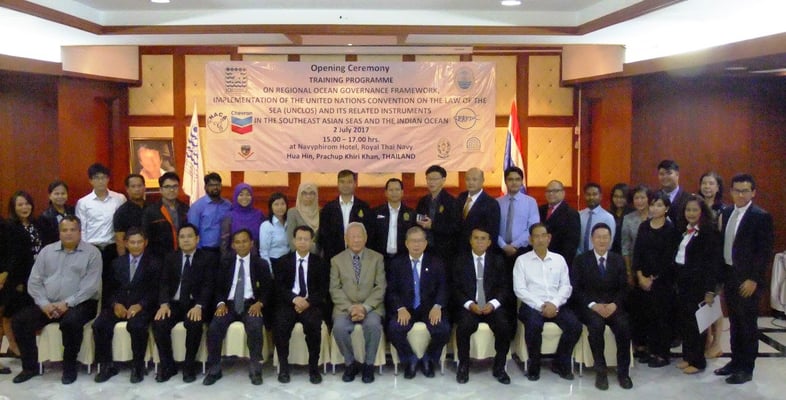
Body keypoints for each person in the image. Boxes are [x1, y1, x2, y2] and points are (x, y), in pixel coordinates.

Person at [11, 215, 101, 384]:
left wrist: (67, 303)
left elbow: (90, 287)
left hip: (81, 303)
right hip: (49, 303)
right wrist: (44, 304)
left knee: (70, 323)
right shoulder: (47, 251)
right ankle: (29, 367)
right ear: (59, 233)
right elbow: (34, 282)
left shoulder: (92, 253)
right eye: (64, 230)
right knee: (20, 321)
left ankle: (69, 367)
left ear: (80, 232)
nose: (68, 234)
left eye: (73, 230)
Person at [714, 174, 773, 384]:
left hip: (748, 279)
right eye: (737, 190)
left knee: (747, 324)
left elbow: (764, 252)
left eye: (745, 190)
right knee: (735, 322)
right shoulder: (727, 212)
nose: (740, 194)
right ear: (730, 191)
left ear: (753, 192)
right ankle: (735, 362)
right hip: (730, 275)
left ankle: (746, 368)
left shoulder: (760, 216)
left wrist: (754, 279)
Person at [203, 229, 272, 386]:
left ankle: (255, 368)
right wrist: (220, 303)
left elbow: (268, 289)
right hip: (228, 305)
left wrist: (260, 303)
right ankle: (214, 369)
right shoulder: (225, 262)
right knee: (214, 327)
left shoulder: (260, 264)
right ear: (233, 245)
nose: (241, 245)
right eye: (238, 242)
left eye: (245, 241)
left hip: (251, 304)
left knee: (255, 326)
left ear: (252, 243)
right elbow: (218, 287)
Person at [514, 223, 581, 382]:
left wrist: (554, 304)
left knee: (575, 325)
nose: (540, 240)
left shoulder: (559, 260)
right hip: (531, 305)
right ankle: (534, 365)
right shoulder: (522, 261)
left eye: (543, 235)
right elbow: (520, 289)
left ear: (549, 238)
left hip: (556, 304)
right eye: (536, 236)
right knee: (534, 324)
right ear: (530, 240)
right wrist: (541, 306)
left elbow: (566, 286)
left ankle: (560, 362)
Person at [152, 223, 219, 383]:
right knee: (159, 322)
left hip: (195, 303)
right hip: (173, 304)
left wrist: (199, 306)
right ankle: (168, 366)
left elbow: (209, 285)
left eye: (190, 236)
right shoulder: (171, 257)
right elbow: (164, 283)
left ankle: (189, 366)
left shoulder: (207, 258)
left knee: (194, 323)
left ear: (197, 239)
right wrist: (163, 304)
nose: (186, 240)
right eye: (182, 237)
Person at [571, 223, 633, 390]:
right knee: (596, 327)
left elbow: (624, 288)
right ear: (592, 239)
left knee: (624, 327)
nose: (602, 240)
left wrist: (614, 304)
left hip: (613, 306)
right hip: (591, 307)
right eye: (598, 237)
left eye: (605, 237)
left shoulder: (618, 260)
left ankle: (623, 372)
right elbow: (576, 289)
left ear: (610, 239)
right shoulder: (581, 260)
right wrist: (593, 305)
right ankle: (601, 371)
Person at [92, 227, 159, 384]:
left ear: (145, 243)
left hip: (142, 307)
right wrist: (115, 304)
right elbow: (108, 290)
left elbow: (155, 290)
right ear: (126, 243)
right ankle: (107, 365)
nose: (136, 245)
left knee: (137, 326)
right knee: (100, 325)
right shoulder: (116, 263)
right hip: (118, 306)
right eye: (132, 242)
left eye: (139, 242)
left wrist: (140, 305)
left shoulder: (154, 263)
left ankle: (137, 366)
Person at [386, 226, 450, 379]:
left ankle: (429, 359)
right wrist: (400, 308)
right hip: (406, 308)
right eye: (413, 241)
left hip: (429, 308)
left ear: (426, 243)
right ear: (406, 243)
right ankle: (410, 359)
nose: (416, 245)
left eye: (420, 241)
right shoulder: (397, 263)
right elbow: (391, 291)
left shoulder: (436, 262)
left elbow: (444, 287)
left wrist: (437, 306)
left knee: (443, 329)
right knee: (394, 328)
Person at [453, 227, 513, 384]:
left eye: (483, 238)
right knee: (463, 327)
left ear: (489, 242)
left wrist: (493, 304)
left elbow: (505, 287)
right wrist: (469, 304)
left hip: (491, 307)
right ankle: (463, 366)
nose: (479, 241)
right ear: (470, 240)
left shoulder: (498, 260)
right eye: (476, 238)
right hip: (470, 307)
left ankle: (499, 367)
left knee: (504, 326)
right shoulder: (460, 260)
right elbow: (455, 287)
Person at [329, 222, 386, 384]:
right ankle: (350, 363)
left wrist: (364, 307)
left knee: (373, 326)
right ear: (346, 239)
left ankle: (369, 365)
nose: (356, 240)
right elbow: (335, 289)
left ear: (366, 238)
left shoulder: (377, 258)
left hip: (371, 307)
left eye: (359, 236)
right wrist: (351, 307)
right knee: (339, 328)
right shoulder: (336, 260)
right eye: (352, 237)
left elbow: (380, 286)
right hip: (344, 307)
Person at [272, 225, 329, 384]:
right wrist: (294, 299)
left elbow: (323, 289)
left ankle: (313, 368)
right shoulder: (283, 261)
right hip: (289, 303)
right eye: (299, 239)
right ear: (293, 241)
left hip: (311, 304)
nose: (303, 242)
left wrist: (308, 301)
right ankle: (284, 368)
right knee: (281, 324)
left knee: (313, 325)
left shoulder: (320, 263)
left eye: (306, 239)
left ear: (312, 242)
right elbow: (279, 287)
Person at [673, 195, 722, 375]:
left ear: (702, 212)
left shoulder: (709, 233)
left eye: (695, 210)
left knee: (697, 324)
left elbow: (713, 264)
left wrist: (710, 290)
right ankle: (688, 356)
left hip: (699, 286)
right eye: (688, 210)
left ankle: (698, 361)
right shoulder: (684, 231)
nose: (691, 213)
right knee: (685, 322)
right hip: (683, 284)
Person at [631, 192, 679, 368]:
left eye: (659, 205)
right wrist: (640, 276)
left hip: (663, 281)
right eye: (653, 204)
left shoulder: (671, 229)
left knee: (662, 318)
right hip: (643, 280)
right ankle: (650, 351)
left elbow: (670, 258)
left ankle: (662, 354)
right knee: (646, 316)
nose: (654, 208)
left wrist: (654, 278)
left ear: (666, 208)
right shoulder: (644, 226)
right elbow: (637, 253)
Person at [75, 163, 127, 305]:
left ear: (108, 179)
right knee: (93, 285)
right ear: (90, 180)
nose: (100, 181)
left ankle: (108, 313)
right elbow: (82, 229)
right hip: (92, 248)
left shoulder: (119, 199)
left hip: (113, 248)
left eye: (103, 177)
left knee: (113, 283)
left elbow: (123, 225)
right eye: (96, 178)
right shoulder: (83, 202)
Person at [1, 191, 44, 362]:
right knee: (11, 313)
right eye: (20, 205)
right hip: (16, 277)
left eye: (27, 204)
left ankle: (27, 347)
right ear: (13, 207)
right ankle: (14, 346)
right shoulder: (8, 227)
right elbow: (8, 255)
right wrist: (14, 279)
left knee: (29, 313)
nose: (24, 208)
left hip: (38, 275)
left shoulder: (37, 224)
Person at [619, 184, 651, 357]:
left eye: (643, 197)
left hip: (654, 270)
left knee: (653, 309)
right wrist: (629, 272)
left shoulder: (659, 216)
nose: (639, 201)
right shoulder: (629, 218)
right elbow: (625, 247)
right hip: (634, 267)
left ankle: (652, 345)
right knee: (636, 308)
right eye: (636, 198)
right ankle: (638, 344)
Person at [698, 171, 727, 359]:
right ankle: (706, 339)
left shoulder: (722, 210)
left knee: (714, 302)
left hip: (715, 262)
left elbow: (723, 240)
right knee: (703, 303)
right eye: (704, 183)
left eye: (711, 183)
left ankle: (717, 343)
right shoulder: (697, 207)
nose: (707, 187)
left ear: (718, 187)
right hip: (698, 262)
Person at [319, 170, 370, 263]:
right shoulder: (328, 208)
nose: (345, 185)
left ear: (355, 184)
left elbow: (369, 233)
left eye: (349, 182)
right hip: (334, 257)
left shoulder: (364, 207)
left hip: (359, 257)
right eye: (342, 182)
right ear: (337, 184)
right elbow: (324, 235)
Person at [416, 165, 459, 265]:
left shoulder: (451, 201)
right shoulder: (423, 201)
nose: (431, 182)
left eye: (435, 179)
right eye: (429, 179)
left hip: (444, 250)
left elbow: (455, 227)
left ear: (443, 180)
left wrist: (433, 225)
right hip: (424, 248)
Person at [368, 178, 417, 266]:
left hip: (403, 259)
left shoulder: (411, 213)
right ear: (386, 193)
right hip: (380, 259)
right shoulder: (375, 212)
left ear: (402, 192)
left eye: (397, 190)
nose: (394, 193)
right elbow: (371, 236)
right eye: (391, 190)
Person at [497, 166, 540, 266]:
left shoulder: (530, 202)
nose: (514, 182)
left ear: (522, 182)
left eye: (517, 179)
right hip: (500, 250)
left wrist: (514, 245)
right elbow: (494, 227)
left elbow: (532, 228)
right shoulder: (497, 202)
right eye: (510, 179)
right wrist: (504, 246)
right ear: (505, 181)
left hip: (522, 250)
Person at [142, 172, 189, 257]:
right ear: (160, 189)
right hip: (159, 257)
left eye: (175, 186)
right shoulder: (151, 211)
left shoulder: (186, 209)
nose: (172, 190)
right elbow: (145, 237)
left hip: (182, 255)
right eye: (167, 187)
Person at [456, 168, 500, 253]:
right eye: (468, 179)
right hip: (458, 250)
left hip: (478, 251)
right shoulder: (461, 197)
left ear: (482, 180)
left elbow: (493, 233)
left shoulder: (491, 203)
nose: (471, 182)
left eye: (474, 179)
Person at [187, 172, 231, 253]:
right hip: (205, 250)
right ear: (205, 187)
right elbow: (192, 231)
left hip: (225, 249)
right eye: (211, 185)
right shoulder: (197, 207)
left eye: (217, 185)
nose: (215, 187)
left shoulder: (228, 205)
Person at [539, 180, 580, 266]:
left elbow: (571, 243)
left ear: (563, 193)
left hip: (559, 261)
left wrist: (562, 263)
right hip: (539, 258)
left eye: (555, 191)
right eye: (548, 191)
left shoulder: (571, 213)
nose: (551, 194)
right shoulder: (539, 210)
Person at [220, 183, 264, 257]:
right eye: (241, 195)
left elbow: (263, 240)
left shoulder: (259, 215)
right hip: (234, 258)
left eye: (248, 194)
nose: (245, 197)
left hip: (255, 258)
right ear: (235, 196)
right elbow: (224, 242)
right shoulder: (229, 216)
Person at [112, 173, 148, 257]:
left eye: (139, 186)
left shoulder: (153, 208)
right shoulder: (121, 212)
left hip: (152, 256)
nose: (137, 189)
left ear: (144, 187)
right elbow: (120, 241)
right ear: (127, 189)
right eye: (133, 186)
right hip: (131, 256)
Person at [578, 182, 615, 254]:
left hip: (599, 257)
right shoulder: (578, 215)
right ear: (584, 196)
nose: (591, 197)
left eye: (595, 194)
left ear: (600, 196)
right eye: (588, 194)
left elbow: (609, 243)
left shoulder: (608, 217)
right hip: (579, 257)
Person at [285, 182, 320, 254]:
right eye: (304, 193)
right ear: (299, 195)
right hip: (298, 256)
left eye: (312, 193)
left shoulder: (322, 212)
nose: (308, 196)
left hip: (318, 256)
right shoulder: (293, 212)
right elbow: (291, 238)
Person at [657, 159, 690, 231]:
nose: (665, 177)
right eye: (661, 174)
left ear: (677, 174)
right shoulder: (654, 198)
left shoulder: (689, 199)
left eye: (669, 173)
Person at [39, 180, 75, 246]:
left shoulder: (73, 211)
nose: (60, 196)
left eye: (63, 193)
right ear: (50, 196)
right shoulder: (45, 217)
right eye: (56, 194)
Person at [259, 192, 289, 268]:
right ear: (271, 207)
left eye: (282, 204)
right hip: (274, 263)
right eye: (276, 204)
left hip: (289, 261)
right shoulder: (266, 225)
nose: (280, 207)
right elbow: (264, 252)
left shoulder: (290, 222)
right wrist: (269, 269)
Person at [609, 183, 634, 254]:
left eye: (622, 197)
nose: (618, 199)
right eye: (616, 196)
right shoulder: (608, 214)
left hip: (628, 253)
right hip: (611, 253)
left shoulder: (632, 214)